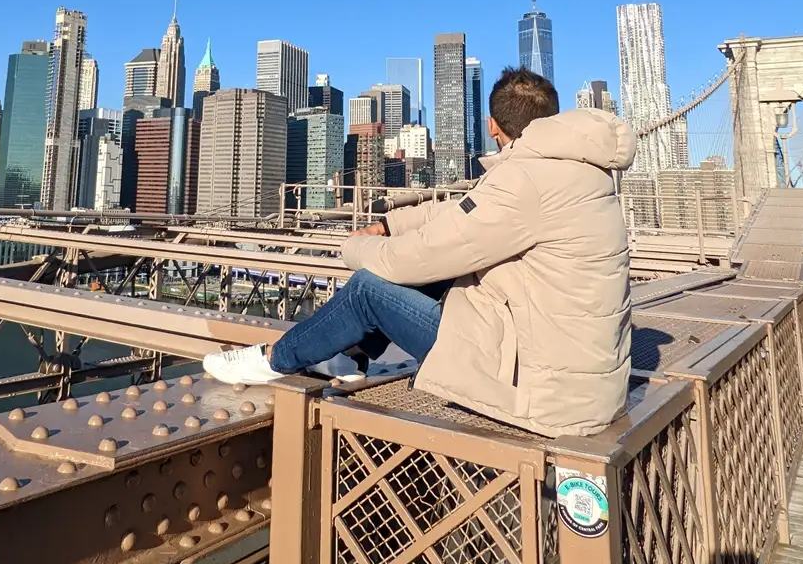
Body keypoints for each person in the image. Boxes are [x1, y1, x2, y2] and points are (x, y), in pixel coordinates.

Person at [204, 66, 638, 438]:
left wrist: (357, 246)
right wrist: (392, 223)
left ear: (491, 126)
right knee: (438, 273)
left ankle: (274, 359)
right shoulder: (575, 171)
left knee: (368, 289)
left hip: (546, 394)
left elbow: (411, 258)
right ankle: (349, 355)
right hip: (579, 380)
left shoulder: (526, 180)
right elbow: (464, 211)